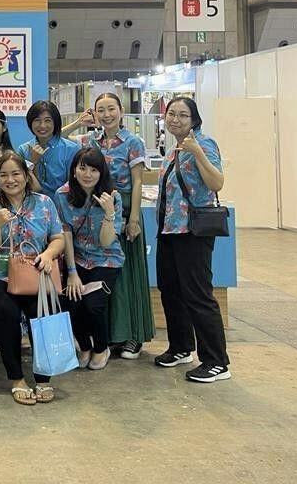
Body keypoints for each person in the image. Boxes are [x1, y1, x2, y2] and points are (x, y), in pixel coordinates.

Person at [0, 152, 64, 404]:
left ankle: (43, 378)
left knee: (44, 314)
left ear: (27, 176)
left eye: (16, 173)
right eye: (3, 175)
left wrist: (49, 254)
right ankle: (16, 378)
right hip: (0, 276)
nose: (10, 179)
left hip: (36, 274)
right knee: (6, 313)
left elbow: (58, 238)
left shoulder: (45, 203)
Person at [156, 96, 230, 383]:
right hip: (169, 231)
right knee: (171, 291)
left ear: (194, 119)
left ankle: (216, 361)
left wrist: (197, 152)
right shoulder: (174, 148)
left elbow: (217, 183)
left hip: (193, 232)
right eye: (171, 114)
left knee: (198, 295)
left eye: (182, 115)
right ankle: (181, 347)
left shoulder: (203, 143)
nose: (175, 119)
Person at [83, 93, 153, 359]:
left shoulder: (133, 142)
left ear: (121, 111)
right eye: (101, 110)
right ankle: (110, 335)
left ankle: (132, 335)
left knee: (127, 275)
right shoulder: (92, 141)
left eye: (111, 109)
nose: (106, 115)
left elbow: (137, 183)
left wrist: (133, 218)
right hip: (99, 212)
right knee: (103, 273)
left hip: (125, 209)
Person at [54, 148, 125, 371]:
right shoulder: (62, 195)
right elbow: (65, 235)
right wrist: (72, 272)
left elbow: (106, 242)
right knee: (71, 302)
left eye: (94, 169)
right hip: (77, 258)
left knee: (93, 304)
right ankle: (84, 346)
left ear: (101, 172)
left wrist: (109, 213)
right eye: (82, 168)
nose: (87, 174)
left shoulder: (112, 196)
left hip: (106, 259)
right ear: (74, 170)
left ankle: (102, 348)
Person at [18, 100, 81, 200]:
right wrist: (32, 162)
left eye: (47, 120)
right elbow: (21, 185)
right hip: (31, 209)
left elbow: (75, 185)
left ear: (55, 122)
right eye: (37, 120)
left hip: (62, 207)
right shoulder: (23, 149)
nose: (42, 125)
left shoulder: (71, 149)